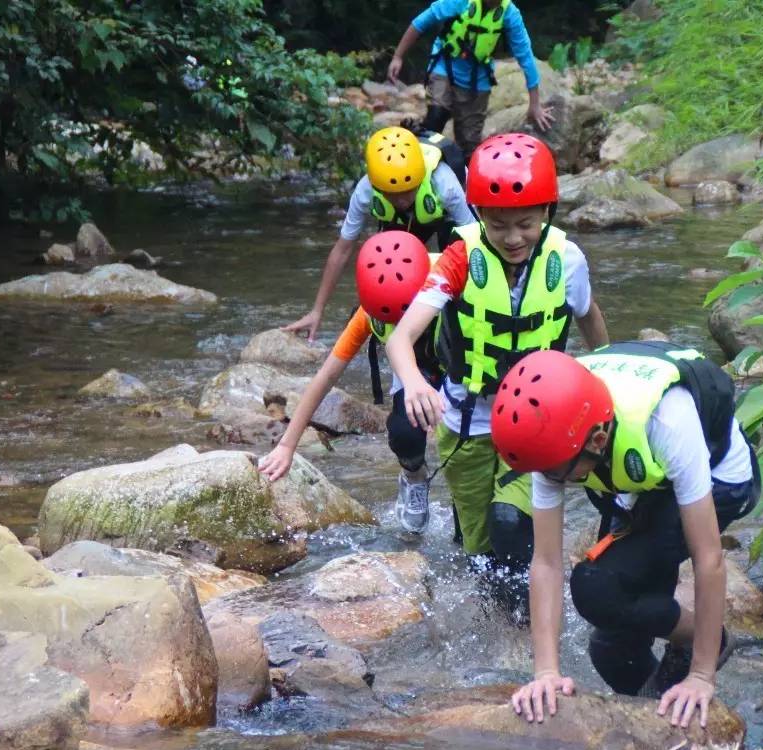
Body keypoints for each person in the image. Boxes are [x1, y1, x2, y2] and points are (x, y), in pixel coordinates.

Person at [385, 132, 608, 616]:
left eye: (526, 224)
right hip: (468, 420)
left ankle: (521, 629)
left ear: (547, 212)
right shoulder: (459, 258)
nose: (512, 238)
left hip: (537, 420)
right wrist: (417, 384)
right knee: (478, 548)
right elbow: (399, 339)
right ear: (478, 214)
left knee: (511, 524)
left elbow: (589, 318)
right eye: (498, 223)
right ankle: (496, 625)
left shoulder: (566, 260)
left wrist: (608, 377)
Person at [490, 342, 762, 729]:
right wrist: (545, 673)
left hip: (721, 480)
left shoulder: (667, 420)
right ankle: (652, 718)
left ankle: (709, 644)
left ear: (597, 441)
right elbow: (546, 560)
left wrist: (702, 677)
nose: (549, 480)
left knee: (596, 588)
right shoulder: (552, 429)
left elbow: (709, 558)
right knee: (611, 649)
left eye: (555, 473)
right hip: (640, 484)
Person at [260, 231, 443, 534]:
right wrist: (287, 445)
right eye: (394, 321)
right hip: (411, 364)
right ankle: (414, 477)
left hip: (464, 357)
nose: (403, 327)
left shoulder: (452, 278)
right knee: (403, 433)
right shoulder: (368, 314)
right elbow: (326, 376)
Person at [284, 127, 475, 343]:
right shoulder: (366, 189)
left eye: (408, 191)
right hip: (402, 220)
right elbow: (342, 250)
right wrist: (317, 311)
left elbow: (476, 242)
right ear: (378, 187)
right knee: (388, 266)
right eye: (393, 194)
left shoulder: (445, 183)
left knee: (454, 264)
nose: (402, 200)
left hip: (445, 215)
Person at [385, 0, 553, 159]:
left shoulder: (510, 13)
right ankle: (415, 164)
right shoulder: (461, 2)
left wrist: (534, 104)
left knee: (469, 146)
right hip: (445, 65)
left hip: (477, 79)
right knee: (437, 116)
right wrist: (398, 57)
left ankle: (461, 182)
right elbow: (421, 22)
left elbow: (525, 55)